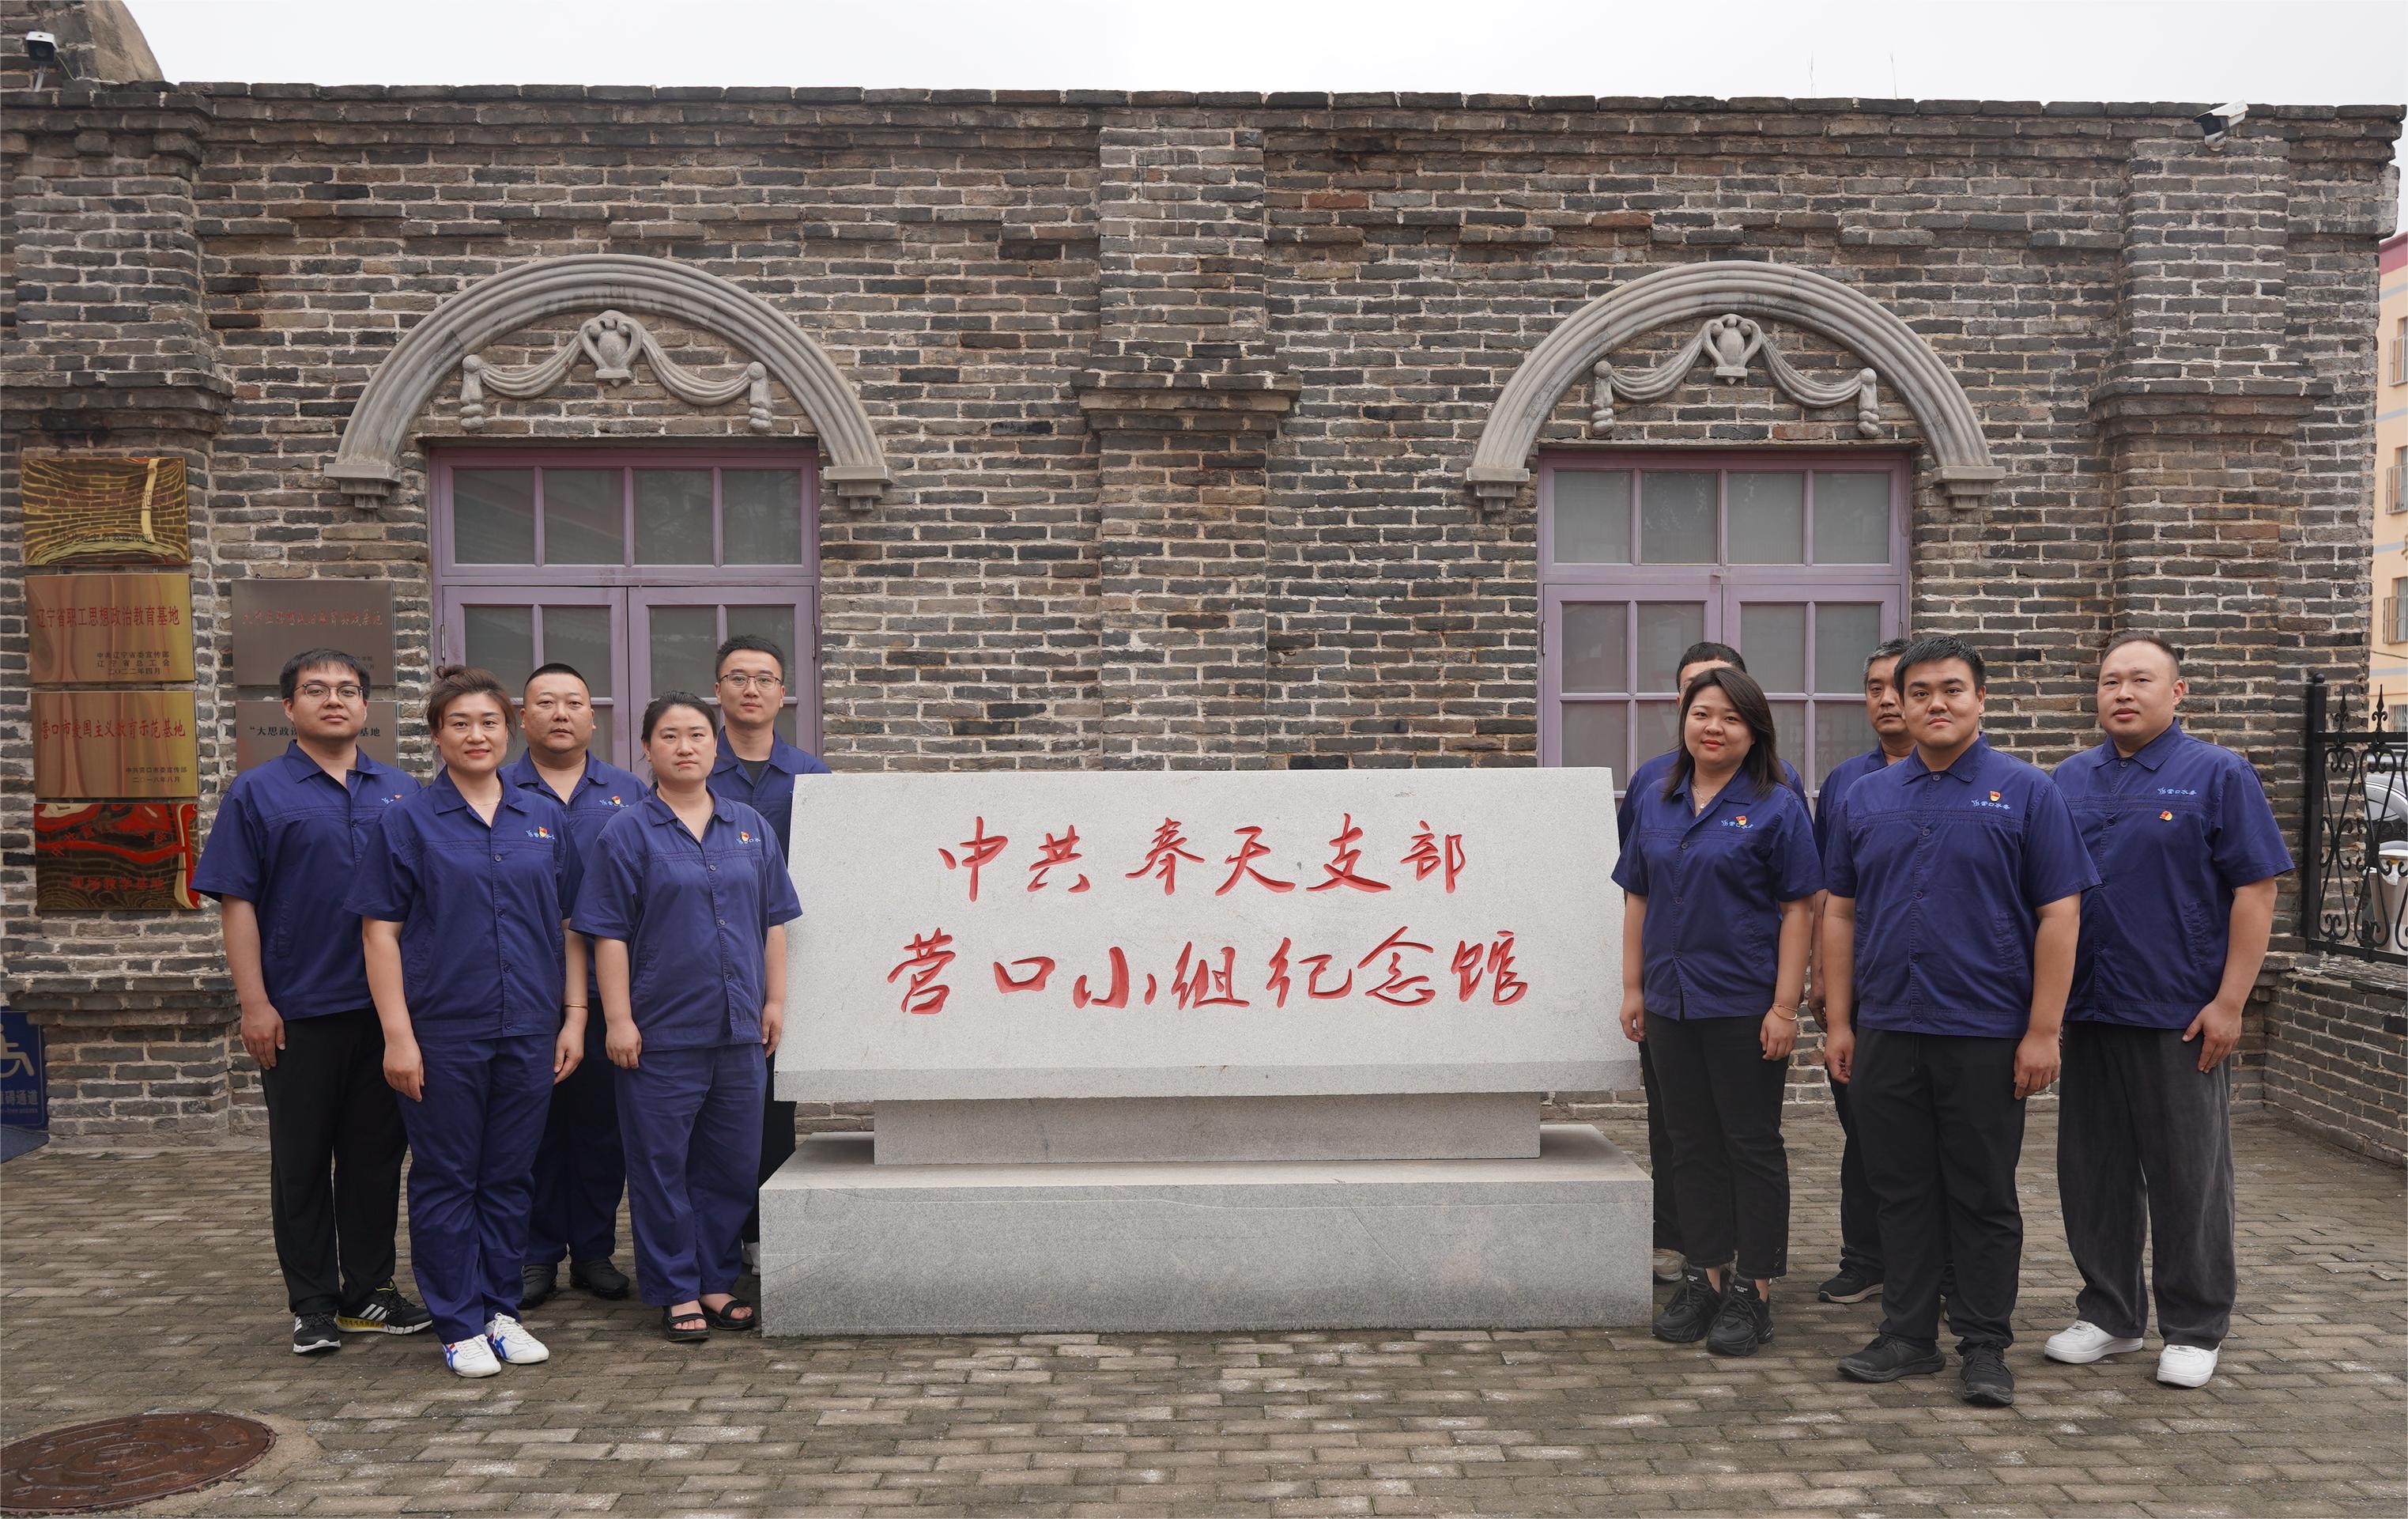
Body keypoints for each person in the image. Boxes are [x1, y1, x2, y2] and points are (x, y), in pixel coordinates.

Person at [1819, 635, 2097, 1408]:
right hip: (1888, 1026)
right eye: (1919, 692)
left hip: (1985, 1030)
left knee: (1982, 1192)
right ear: (1898, 703)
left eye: (1951, 689)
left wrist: (2043, 1029)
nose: (1934, 704)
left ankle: (1983, 1343)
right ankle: (1907, 1334)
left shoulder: (2026, 791)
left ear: (1979, 699)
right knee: (1898, 1187)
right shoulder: (1865, 797)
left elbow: (2060, 913)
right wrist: (1839, 1020)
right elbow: (1838, 913)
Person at [2044, 633, 2292, 1389]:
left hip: (2178, 1013)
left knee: (2189, 1175)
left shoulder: (2217, 773)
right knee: (2093, 1170)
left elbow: (2256, 890)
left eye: (2141, 679)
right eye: (2110, 680)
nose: (2123, 692)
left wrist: (2230, 1002)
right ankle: (2111, 1313)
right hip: (2090, 1008)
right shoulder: (2067, 780)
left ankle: (2194, 1325)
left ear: (2177, 692)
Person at [348, 666, 587, 1379]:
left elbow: (571, 925)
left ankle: (499, 1310)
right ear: (436, 735)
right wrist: (398, 1035)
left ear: (507, 729)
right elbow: (379, 933)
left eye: (488, 722)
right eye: (459, 723)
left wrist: (574, 1016)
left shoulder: (541, 817)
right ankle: (457, 1321)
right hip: (444, 1028)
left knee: (511, 1173)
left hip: (530, 1025)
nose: (475, 735)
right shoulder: (408, 820)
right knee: (449, 1175)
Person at [192, 648, 433, 1355]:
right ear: (288, 707)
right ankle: (313, 1302)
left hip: (386, 1013)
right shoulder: (257, 792)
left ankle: (369, 1291)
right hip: (298, 1010)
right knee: (300, 1162)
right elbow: (238, 902)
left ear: (366, 706)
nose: (334, 700)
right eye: (316, 689)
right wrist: (255, 1002)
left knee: (373, 1159)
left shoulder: (403, 792)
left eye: (348, 690)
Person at [573, 693, 801, 1341]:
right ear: (647, 749)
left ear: (714, 746)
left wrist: (775, 1000)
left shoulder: (749, 826)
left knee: (730, 1162)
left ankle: (715, 1278)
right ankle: (675, 1286)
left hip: (739, 1028)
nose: (685, 746)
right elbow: (607, 932)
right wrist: (618, 1018)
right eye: (669, 735)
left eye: (697, 734)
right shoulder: (626, 832)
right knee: (660, 1164)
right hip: (660, 1032)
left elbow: (773, 922)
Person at [1612, 667, 1821, 1357]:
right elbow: (1638, 896)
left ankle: (1753, 1289)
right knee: (1689, 1142)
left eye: (1732, 717)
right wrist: (1634, 986)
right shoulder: (1658, 798)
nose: (1714, 727)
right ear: (1684, 719)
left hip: (1742, 1003)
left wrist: (1785, 1006)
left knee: (1750, 1143)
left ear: (1754, 731)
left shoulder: (1776, 806)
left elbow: (1799, 909)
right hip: (1670, 1000)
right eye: (1703, 713)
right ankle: (1704, 1275)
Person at [505, 663, 651, 1313]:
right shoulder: (496, 788)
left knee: (600, 1130)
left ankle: (594, 1249)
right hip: (525, 988)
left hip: (612, 991)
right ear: (523, 717)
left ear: (595, 717)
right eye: (546, 702)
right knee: (533, 1127)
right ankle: (536, 1252)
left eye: (573, 703)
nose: (560, 713)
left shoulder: (629, 793)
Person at [704, 634, 830, 1265]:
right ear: (718, 690)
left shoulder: (814, 777)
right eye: (737, 677)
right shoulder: (695, 768)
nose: (750, 689)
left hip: (788, 954)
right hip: (704, 954)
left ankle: (764, 1233)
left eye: (764, 679)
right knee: (713, 1103)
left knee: (775, 1101)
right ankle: (717, 1235)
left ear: (783, 693)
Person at [1804, 637, 1915, 1307]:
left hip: (1935, 986)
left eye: (1899, 686)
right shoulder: (1848, 780)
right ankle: (1865, 1256)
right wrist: (1822, 975)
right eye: (1875, 687)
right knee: (1863, 1125)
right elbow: (1828, 889)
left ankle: (1934, 1268)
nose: (1887, 699)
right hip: (1862, 980)